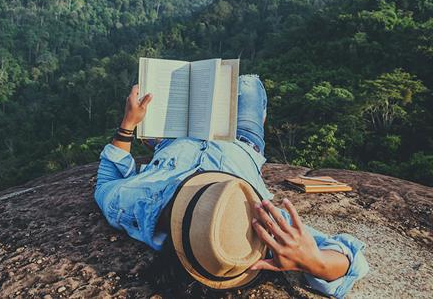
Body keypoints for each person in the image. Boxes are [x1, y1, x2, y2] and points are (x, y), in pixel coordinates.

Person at [94, 75, 369, 298]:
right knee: (249, 83)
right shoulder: (249, 222)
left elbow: (106, 182)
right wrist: (314, 262)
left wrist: (128, 124)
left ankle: (154, 139)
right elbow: (350, 261)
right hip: (240, 141)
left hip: (176, 139)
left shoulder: (141, 204)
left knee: (166, 86)